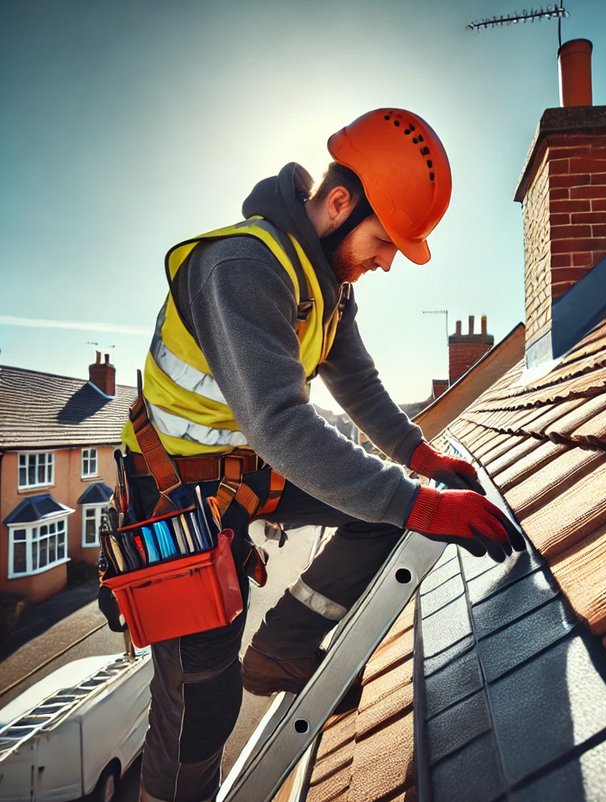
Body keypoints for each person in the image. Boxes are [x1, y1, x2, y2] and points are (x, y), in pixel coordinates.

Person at [115, 108, 524, 802]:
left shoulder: (327, 283)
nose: (387, 261)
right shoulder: (243, 267)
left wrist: (417, 460)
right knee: (198, 712)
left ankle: (282, 650)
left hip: (244, 474)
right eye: (383, 241)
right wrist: (421, 499)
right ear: (340, 204)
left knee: (385, 510)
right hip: (173, 495)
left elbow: (356, 382)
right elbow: (281, 425)